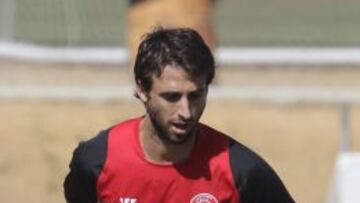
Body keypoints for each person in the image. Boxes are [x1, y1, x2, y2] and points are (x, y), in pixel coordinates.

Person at [63, 27, 295, 203]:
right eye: (171, 97)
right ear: (142, 90)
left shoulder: (241, 171)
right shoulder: (96, 161)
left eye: (195, 96)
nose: (185, 112)